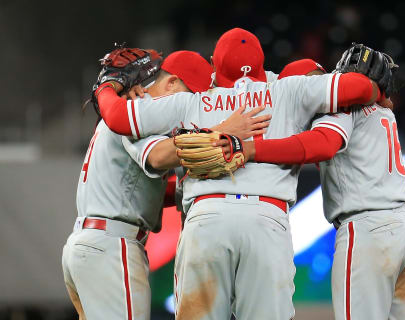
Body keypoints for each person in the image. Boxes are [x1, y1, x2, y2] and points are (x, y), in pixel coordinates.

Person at [95, 28, 388, 319]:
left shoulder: (194, 100)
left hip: (206, 220)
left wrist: (106, 86)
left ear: (214, 66)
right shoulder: (289, 89)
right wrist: (378, 90)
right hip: (267, 221)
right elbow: (360, 89)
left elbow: (117, 117)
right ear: (263, 64)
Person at [61, 50, 269, 320]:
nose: (194, 108)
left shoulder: (130, 108)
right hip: (111, 246)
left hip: (91, 244)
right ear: (171, 83)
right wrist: (220, 130)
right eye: (192, 95)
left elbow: (138, 188)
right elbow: (158, 156)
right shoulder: (142, 110)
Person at [220, 57, 405, 320]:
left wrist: (252, 149)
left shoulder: (342, 106)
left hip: (369, 229)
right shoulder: (382, 109)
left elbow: (324, 143)